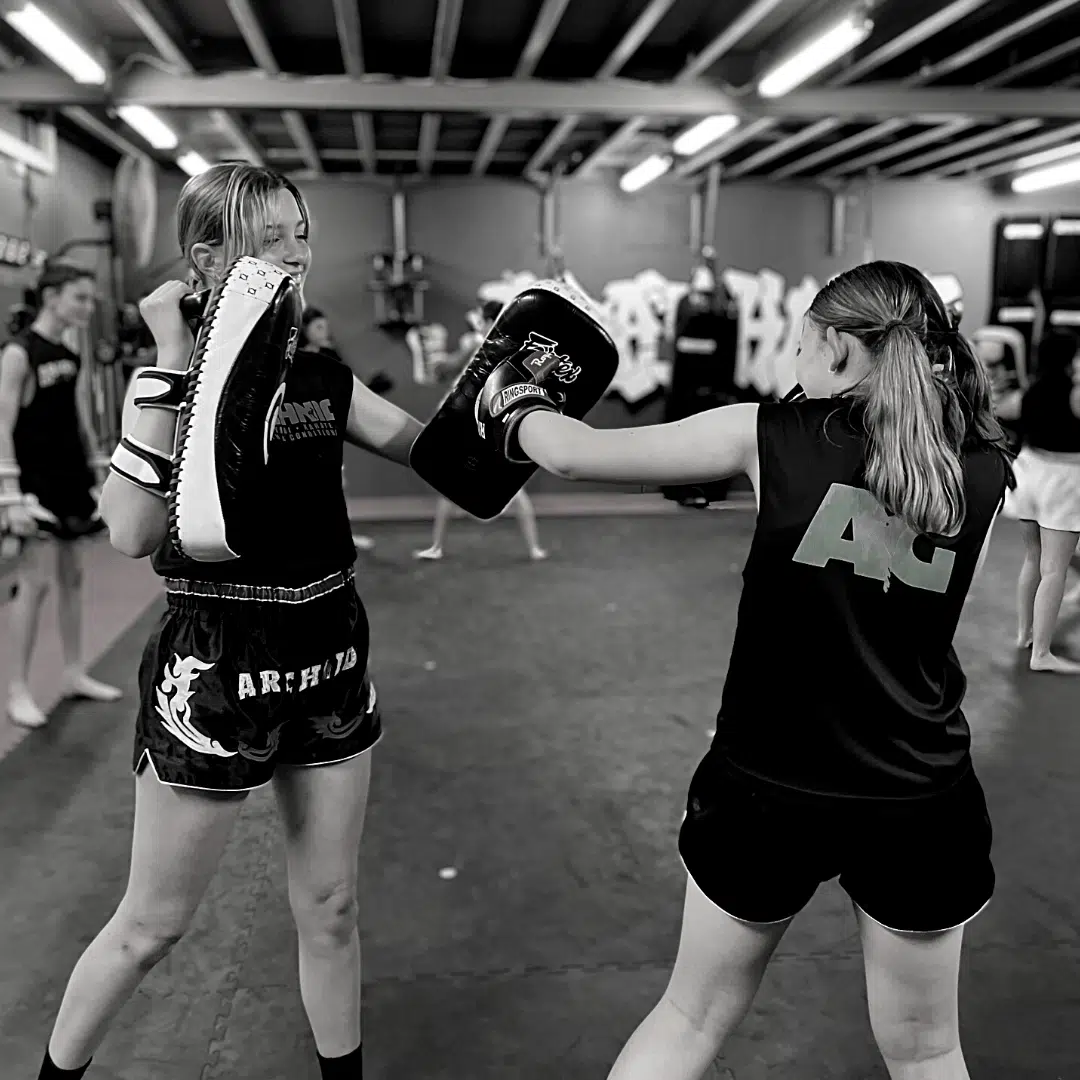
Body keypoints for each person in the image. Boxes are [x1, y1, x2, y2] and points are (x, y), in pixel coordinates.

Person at [473, 261, 1012, 1080]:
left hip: (769, 784)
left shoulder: (766, 433)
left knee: (690, 1018)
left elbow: (573, 454)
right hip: (917, 793)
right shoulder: (983, 466)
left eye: (800, 345)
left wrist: (511, 391)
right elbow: (893, 551)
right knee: (929, 1051)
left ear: (836, 347)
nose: (793, 363)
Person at [35, 162, 426, 1080]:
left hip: (328, 651)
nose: (296, 255)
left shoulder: (323, 378)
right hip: (215, 665)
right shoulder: (171, 380)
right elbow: (130, 532)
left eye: (302, 233)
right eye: (271, 238)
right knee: (152, 924)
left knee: (330, 906)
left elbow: (441, 454)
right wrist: (172, 354)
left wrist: (514, 398)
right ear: (208, 257)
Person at [0, 262, 122, 729]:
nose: (88, 307)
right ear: (51, 297)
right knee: (34, 584)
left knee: (73, 579)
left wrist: (97, 474)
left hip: (71, 479)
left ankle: (73, 672)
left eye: (91, 299)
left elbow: (79, 417)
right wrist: (11, 496)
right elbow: (2, 425)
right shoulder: (19, 353)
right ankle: (18, 689)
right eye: (80, 298)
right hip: (36, 485)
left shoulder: (70, 353)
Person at [414, 299, 547, 562]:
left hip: (484, 421)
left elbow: (447, 369)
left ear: (487, 321)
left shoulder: (498, 345)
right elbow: (449, 370)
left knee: (505, 488)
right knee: (459, 485)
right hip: (478, 421)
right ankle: (438, 546)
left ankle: (532, 547)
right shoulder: (496, 345)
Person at [1001, 328, 1080, 672]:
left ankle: (1025, 635)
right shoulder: (1074, 394)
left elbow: (1004, 411)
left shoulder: (1029, 392)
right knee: (1054, 569)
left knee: (1034, 558)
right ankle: (1042, 654)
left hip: (1028, 472)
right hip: (1062, 479)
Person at [299, 306, 394, 554]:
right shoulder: (293, 360)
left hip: (329, 428)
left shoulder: (330, 355)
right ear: (305, 330)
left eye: (325, 326)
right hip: (301, 429)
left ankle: (340, 535)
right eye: (318, 327)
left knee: (336, 482)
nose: (325, 332)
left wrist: (373, 388)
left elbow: (348, 388)